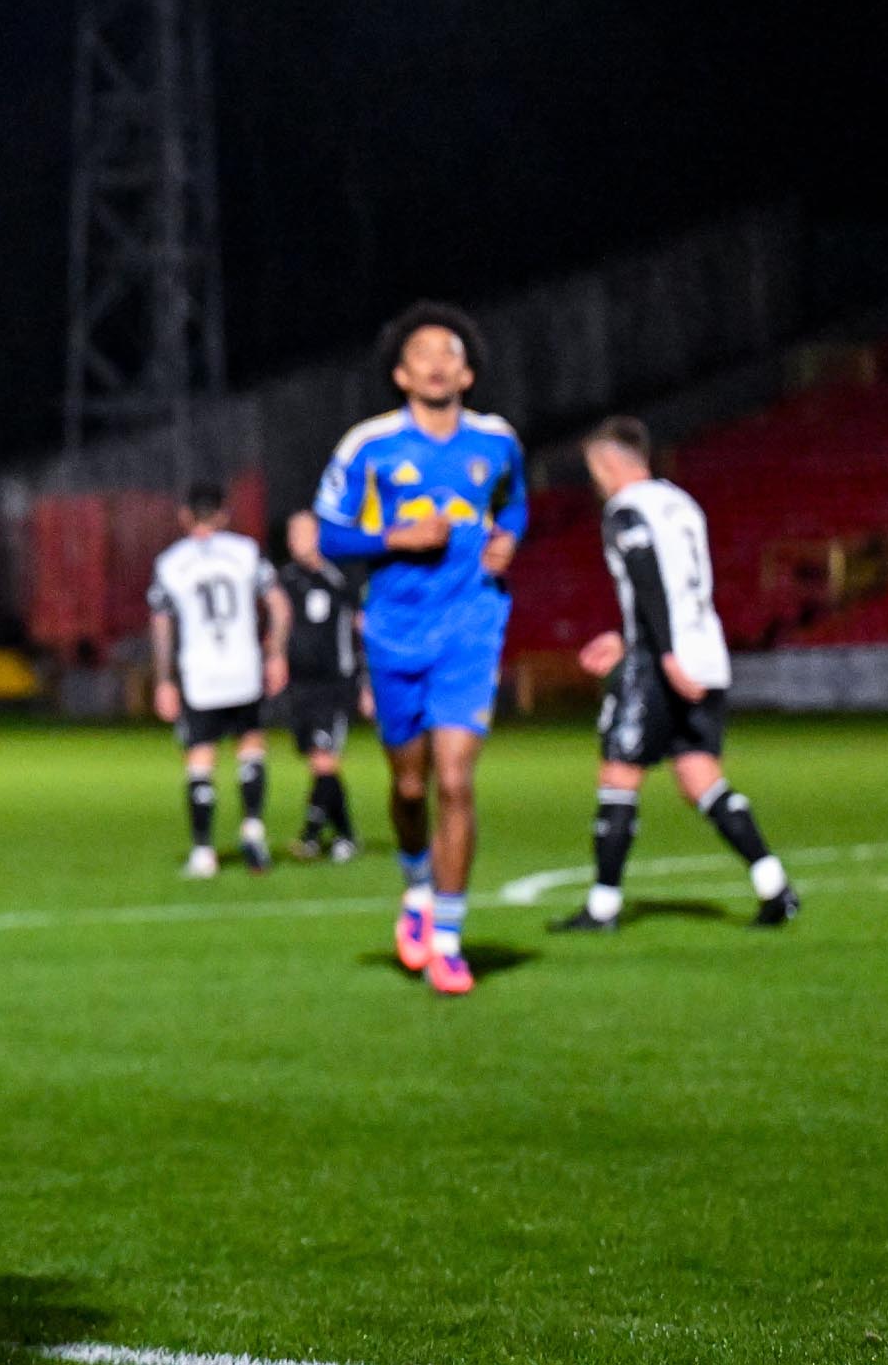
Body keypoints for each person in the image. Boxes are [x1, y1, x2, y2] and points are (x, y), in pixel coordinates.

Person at [312, 302, 527, 996]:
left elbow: (515, 503)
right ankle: (416, 887)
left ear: (467, 370)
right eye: (424, 352)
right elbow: (329, 534)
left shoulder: (497, 441)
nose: (438, 361)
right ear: (402, 373)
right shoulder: (367, 445)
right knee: (409, 786)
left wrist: (508, 540)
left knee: (456, 778)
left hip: (473, 623)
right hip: (395, 630)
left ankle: (451, 939)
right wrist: (393, 540)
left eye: (450, 351)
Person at [555, 417, 799, 932]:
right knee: (699, 777)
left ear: (609, 464)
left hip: (664, 662)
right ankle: (775, 887)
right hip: (707, 651)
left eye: (594, 469)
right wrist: (628, 637)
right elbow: (680, 586)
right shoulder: (681, 503)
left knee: (618, 774)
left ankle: (603, 907)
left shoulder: (626, 510)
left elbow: (648, 581)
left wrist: (661, 655)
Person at [148, 485, 290, 877]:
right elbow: (279, 605)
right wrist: (276, 652)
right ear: (223, 516)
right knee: (251, 748)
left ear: (185, 516)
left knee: (200, 759)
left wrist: (163, 680)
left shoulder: (170, 562)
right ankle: (253, 830)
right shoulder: (246, 551)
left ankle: (203, 853)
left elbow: (162, 625)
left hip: (200, 674)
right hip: (245, 668)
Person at [276, 511, 368, 862]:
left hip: (335, 685)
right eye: (293, 534)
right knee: (317, 760)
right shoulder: (283, 581)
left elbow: (361, 630)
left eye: (304, 533)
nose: (297, 541)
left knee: (324, 760)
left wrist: (367, 684)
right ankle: (337, 836)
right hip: (299, 687)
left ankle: (319, 835)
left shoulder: (340, 578)